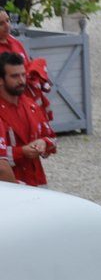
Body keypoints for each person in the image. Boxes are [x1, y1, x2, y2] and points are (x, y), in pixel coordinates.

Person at [0, 52, 53, 188]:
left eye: (23, 75)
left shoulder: (32, 104)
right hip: (11, 186)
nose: (22, 81)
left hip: (38, 182)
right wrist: (21, 152)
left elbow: (51, 138)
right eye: (15, 76)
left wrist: (43, 143)